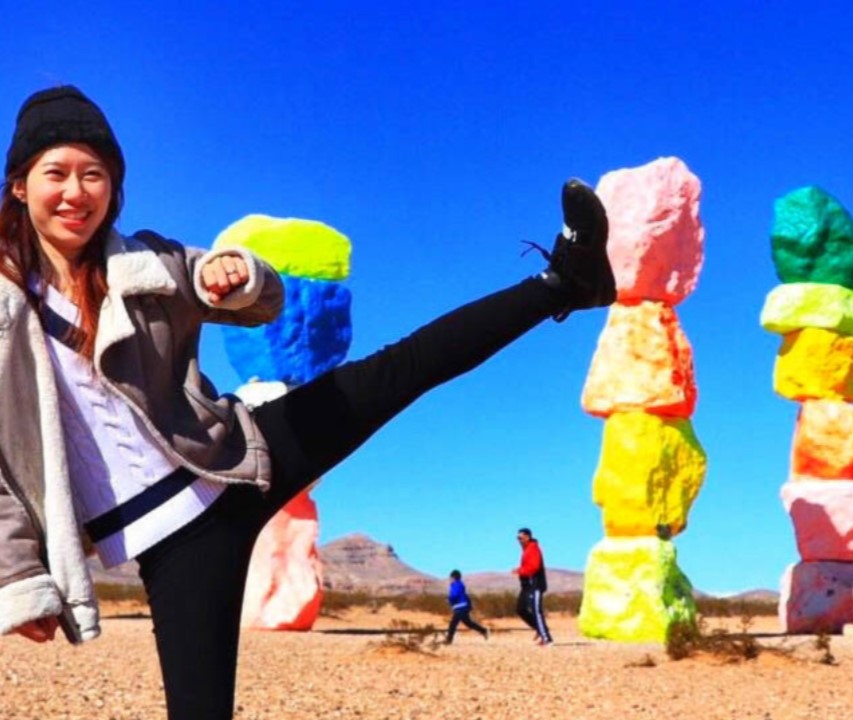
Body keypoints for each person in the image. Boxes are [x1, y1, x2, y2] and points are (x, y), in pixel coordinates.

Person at [0, 86, 615, 719]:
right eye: (57, 173)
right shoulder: (4, 306)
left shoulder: (144, 261)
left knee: (401, 368)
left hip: (238, 459)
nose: (76, 192)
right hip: (169, 541)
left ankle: (565, 281)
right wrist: (19, 578)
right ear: (21, 185)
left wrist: (236, 274)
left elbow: (258, 300)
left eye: (93, 174)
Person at [511, 527, 552, 645]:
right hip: (526, 586)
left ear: (527, 537)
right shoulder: (526, 550)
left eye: (521, 538)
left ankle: (547, 638)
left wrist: (520, 571)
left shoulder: (533, 549)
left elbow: (534, 567)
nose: (519, 540)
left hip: (535, 584)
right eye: (517, 538)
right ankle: (539, 628)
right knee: (521, 609)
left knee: (536, 611)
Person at [445, 570, 488, 644]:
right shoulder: (457, 584)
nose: (450, 579)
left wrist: (449, 599)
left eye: (451, 577)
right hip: (462, 607)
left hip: (461, 607)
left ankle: (448, 641)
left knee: (453, 624)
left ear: (453, 577)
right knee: (468, 623)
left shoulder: (456, 584)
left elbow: (455, 595)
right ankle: (484, 631)